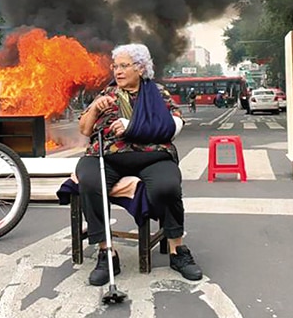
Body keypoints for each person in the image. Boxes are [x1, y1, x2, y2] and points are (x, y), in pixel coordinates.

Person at [75, 43, 201, 285]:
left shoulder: (157, 93)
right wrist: (93, 109)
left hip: (152, 155)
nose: (118, 71)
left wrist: (133, 127)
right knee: (90, 181)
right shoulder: (106, 94)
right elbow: (85, 129)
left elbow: (174, 124)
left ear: (141, 69)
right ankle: (106, 252)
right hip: (107, 156)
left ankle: (178, 251)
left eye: (124, 66)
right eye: (116, 66)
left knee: (168, 186)